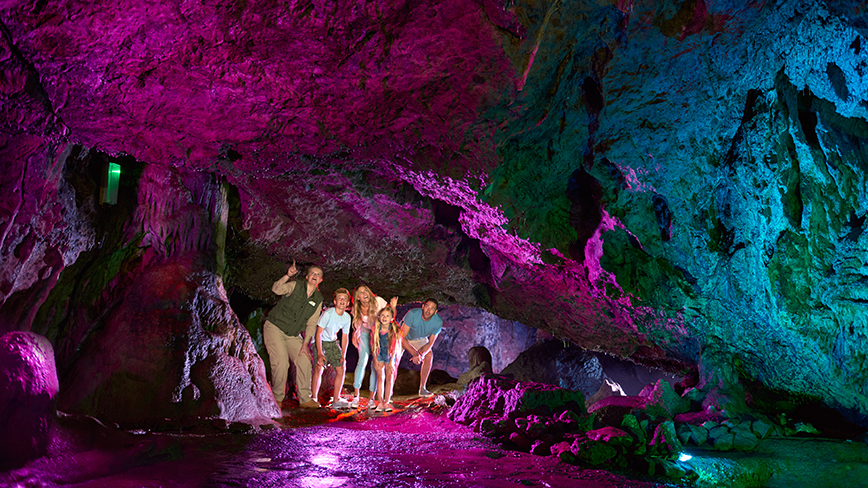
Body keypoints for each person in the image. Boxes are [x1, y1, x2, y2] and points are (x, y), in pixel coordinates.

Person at [263, 261, 324, 409]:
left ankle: (305, 398)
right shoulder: (295, 285)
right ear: (307, 277)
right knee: (282, 362)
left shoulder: (318, 300)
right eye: (312, 273)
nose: (314, 276)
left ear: (320, 280)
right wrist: (287, 276)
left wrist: (305, 344)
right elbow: (276, 289)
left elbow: (312, 323)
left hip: (293, 334)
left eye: (318, 274)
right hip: (275, 327)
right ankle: (277, 398)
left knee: (304, 360)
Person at [350, 285, 397, 409]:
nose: (364, 293)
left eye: (365, 290)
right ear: (357, 298)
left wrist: (393, 306)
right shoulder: (357, 308)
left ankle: (372, 398)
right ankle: (356, 396)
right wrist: (355, 334)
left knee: (376, 365)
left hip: (379, 335)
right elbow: (357, 324)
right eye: (360, 292)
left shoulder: (378, 301)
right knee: (362, 360)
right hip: (366, 334)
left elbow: (390, 316)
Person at [311, 288, 352, 409]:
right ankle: (313, 398)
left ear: (348, 303)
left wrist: (343, 355)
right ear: (335, 301)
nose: (342, 300)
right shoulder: (328, 313)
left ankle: (336, 399)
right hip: (320, 341)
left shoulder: (347, 317)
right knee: (319, 367)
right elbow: (318, 333)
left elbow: (345, 337)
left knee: (341, 368)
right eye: (339, 298)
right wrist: (319, 353)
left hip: (333, 342)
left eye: (345, 299)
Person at [395, 299, 442, 397]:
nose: (428, 310)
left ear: (435, 312)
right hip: (401, 336)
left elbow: (430, 343)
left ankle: (422, 388)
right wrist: (414, 353)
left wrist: (421, 355)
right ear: (423, 306)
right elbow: (402, 337)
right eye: (427, 306)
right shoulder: (413, 314)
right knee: (393, 360)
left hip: (418, 339)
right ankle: (386, 391)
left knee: (429, 355)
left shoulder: (438, 322)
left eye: (432, 308)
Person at [371, 304, 400, 412]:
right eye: (382, 315)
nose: (384, 317)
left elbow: (395, 346)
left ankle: (387, 402)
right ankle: (380, 403)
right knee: (380, 378)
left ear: (392, 318)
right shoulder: (375, 329)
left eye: (387, 316)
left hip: (390, 354)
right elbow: (373, 345)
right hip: (379, 354)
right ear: (379, 317)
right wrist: (375, 359)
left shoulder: (394, 329)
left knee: (389, 378)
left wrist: (392, 361)